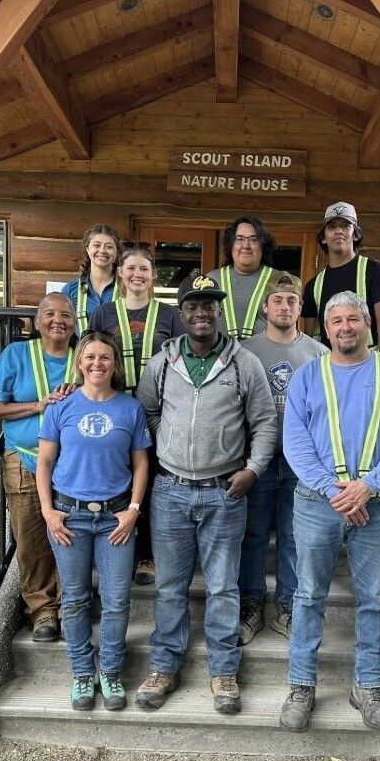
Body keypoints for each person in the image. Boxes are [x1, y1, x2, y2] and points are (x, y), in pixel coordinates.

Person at [135, 273, 277, 715]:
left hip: (225, 494)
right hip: (171, 492)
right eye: (192, 305)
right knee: (170, 588)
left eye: (208, 305)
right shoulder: (163, 363)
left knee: (222, 588)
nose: (201, 312)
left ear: (219, 311)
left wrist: (253, 469)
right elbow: (147, 411)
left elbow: (266, 422)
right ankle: (163, 667)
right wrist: (171, 447)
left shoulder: (243, 363)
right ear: (182, 312)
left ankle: (223, 672)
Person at [280, 292, 380, 733]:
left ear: (367, 324)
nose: (346, 327)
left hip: (376, 506)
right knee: (307, 595)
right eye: (337, 320)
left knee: (374, 599)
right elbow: (295, 443)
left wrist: (368, 486)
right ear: (327, 328)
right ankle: (301, 686)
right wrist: (336, 492)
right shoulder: (307, 376)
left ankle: (368, 687)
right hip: (316, 504)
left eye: (354, 319)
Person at [36, 332, 151, 711]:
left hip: (115, 518)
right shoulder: (61, 407)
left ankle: (112, 672)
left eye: (105, 357)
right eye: (90, 357)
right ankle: (83, 672)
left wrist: (134, 509)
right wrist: (48, 511)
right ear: (79, 363)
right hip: (70, 517)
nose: (97, 364)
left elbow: (140, 463)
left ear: (115, 363)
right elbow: (45, 462)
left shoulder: (129, 409)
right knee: (74, 599)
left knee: (117, 600)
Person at [238, 275, 328, 645]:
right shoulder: (246, 351)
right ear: (265, 307)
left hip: (300, 461)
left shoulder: (319, 353)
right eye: (278, 300)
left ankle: (287, 607)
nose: (285, 306)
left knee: (293, 536)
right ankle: (252, 604)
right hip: (258, 456)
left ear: (300, 308)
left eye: (292, 300)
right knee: (254, 534)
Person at [89, 244, 184, 586]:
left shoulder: (171, 316)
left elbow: (181, 364)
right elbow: (91, 358)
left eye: (144, 269)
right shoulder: (103, 314)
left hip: (157, 414)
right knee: (120, 481)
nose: (137, 275)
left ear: (153, 276)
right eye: (131, 268)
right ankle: (119, 550)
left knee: (153, 484)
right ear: (120, 274)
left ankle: (147, 555)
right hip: (114, 410)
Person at [0, 293, 77, 642]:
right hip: (24, 457)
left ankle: (72, 605)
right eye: (50, 313)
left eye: (66, 315)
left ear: (74, 323)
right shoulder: (16, 355)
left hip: (72, 464)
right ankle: (43, 611)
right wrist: (39, 405)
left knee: (72, 534)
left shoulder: (82, 358)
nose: (59, 320)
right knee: (31, 537)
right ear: (37, 321)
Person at [302, 203, 380, 353]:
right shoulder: (313, 286)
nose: (338, 231)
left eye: (345, 226)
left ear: (355, 234)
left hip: (368, 365)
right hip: (330, 368)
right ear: (324, 238)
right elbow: (309, 338)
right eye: (332, 227)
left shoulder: (374, 270)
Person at [208, 215, 301, 339]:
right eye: (239, 239)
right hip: (220, 355)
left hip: (265, 355)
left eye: (254, 239)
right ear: (231, 245)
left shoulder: (279, 279)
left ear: (263, 246)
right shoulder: (211, 280)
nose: (246, 245)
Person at [61, 224, 122, 334]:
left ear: (116, 252)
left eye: (109, 246)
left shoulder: (126, 288)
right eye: (97, 245)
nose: (102, 250)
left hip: (116, 351)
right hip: (81, 350)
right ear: (88, 249)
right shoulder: (70, 289)